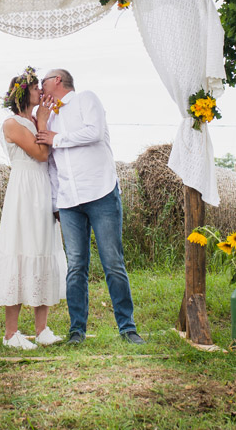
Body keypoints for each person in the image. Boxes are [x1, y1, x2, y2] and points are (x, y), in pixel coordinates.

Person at [35, 69, 144, 345]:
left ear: (57, 80)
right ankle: (77, 331)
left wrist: (55, 138)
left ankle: (127, 328)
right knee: (76, 267)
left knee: (113, 263)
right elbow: (50, 164)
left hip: (100, 193)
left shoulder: (86, 99)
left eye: (43, 81)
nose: (40, 86)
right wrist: (55, 203)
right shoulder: (49, 117)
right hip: (69, 201)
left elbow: (93, 133)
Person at [0, 67, 67, 349]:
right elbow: (41, 154)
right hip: (23, 192)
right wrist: (44, 121)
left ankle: (42, 329)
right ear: (23, 94)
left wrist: (42, 120)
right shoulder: (12, 124)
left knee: (43, 249)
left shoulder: (37, 119)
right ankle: (11, 334)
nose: (41, 92)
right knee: (21, 251)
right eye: (36, 88)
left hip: (42, 190)